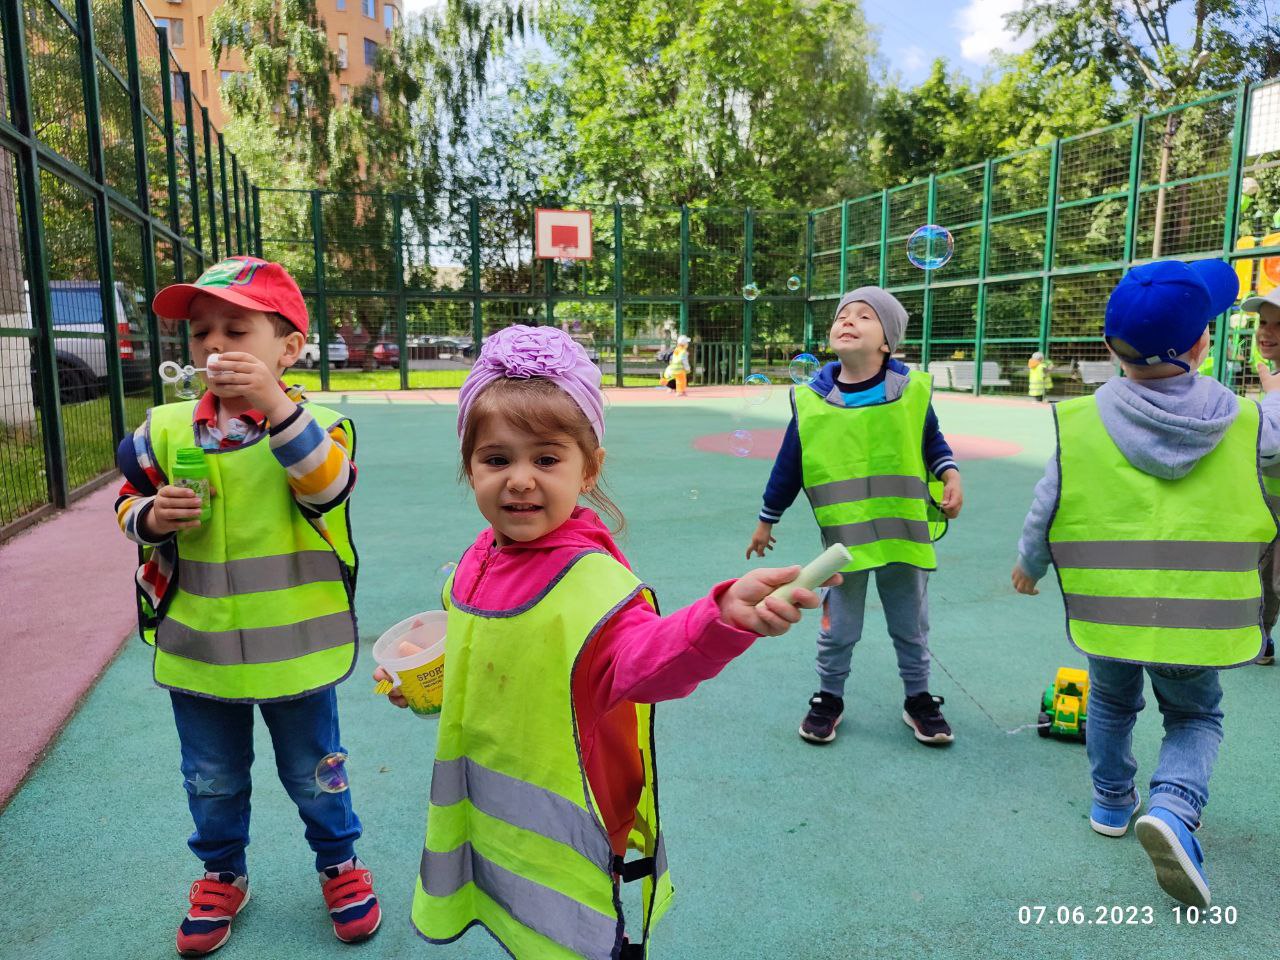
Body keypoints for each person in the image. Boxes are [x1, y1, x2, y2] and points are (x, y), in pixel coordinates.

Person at [375, 325, 836, 959]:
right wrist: (430, 687)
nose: (518, 480)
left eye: (546, 458)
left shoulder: (598, 584)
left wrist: (719, 617)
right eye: (496, 458)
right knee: (524, 928)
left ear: (588, 469)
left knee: (585, 936)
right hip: (493, 821)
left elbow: (647, 664)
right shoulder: (474, 562)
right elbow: (489, 661)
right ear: (469, 466)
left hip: (578, 830)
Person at [113, 256, 380, 956]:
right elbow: (125, 505)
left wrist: (278, 406)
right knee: (211, 777)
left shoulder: (321, 427)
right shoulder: (164, 431)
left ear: (289, 348)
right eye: (201, 333)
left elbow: (325, 487)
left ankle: (340, 864)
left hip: (295, 650)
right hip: (200, 648)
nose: (214, 346)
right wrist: (150, 515)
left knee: (316, 773)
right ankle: (221, 872)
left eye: (237, 328)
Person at [1011, 258, 1280, 909]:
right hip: (1199, 618)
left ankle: (1111, 803)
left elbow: (1048, 503)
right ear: (1201, 344)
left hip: (1109, 614)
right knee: (1195, 713)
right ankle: (1175, 804)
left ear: (1109, 346)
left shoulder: (1079, 420)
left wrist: (1030, 563)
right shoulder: (1246, 422)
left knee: (1110, 704)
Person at [745, 288, 964, 747]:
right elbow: (790, 464)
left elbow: (933, 442)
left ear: (887, 342)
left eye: (865, 317)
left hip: (904, 537)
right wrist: (768, 519)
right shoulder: (811, 402)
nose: (849, 321)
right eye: (843, 315)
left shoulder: (911, 393)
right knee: (839, 628)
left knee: (911, 625)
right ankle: (829, 697)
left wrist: (950, 473)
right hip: (846, 543)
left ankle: (919, 698)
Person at [1246, 287, 1280, 664]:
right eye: (1263, 322)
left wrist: (1271, 397)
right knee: (1266, 573)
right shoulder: (1273, 375)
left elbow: (1270, 446)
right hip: (1270, 502)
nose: (1266, 332)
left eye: (1278, 325)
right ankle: (1261, 636)